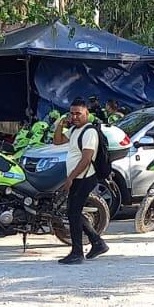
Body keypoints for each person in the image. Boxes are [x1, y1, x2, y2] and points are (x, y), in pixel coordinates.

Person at [52, 98, 108, 264]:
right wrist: (61, 124)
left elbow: (86, 158)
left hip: (84, 177)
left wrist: (70, 178)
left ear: (87, 114)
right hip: (77, 177)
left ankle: (77, 252)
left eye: (79, 113)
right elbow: (57, 141)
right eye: (72, 113)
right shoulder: (76, 130)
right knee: (72, 212)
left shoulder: (89, 132)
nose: (75, 117)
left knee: (73, 213)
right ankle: (98, 243)